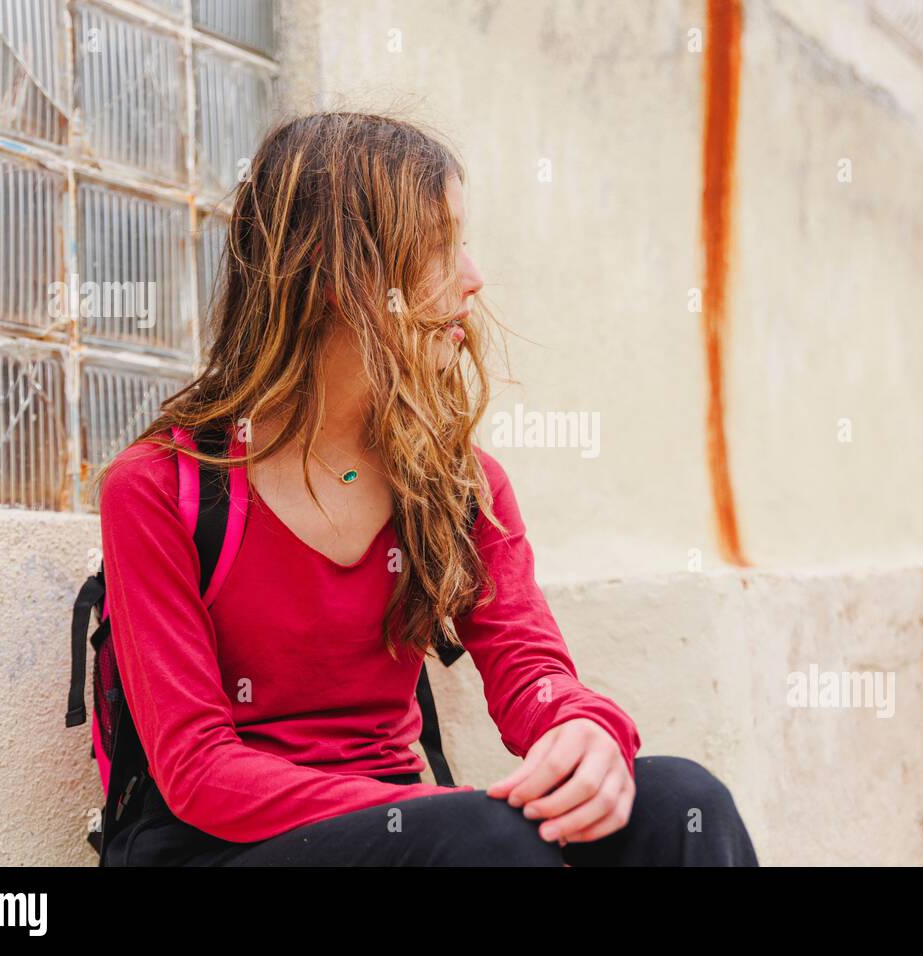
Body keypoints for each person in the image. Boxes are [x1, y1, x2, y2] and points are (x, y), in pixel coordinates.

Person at [92, 111, 758, 867]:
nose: (473, 278)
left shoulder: (457, 483)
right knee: (489, 840)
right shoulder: (160, 489)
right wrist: (448, 814)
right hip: (212, 848)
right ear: (343, 276)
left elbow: (530, 672)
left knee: (682, 802)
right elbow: (200, 772)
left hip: (415, 831)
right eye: (441, 246)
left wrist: (583, 733)